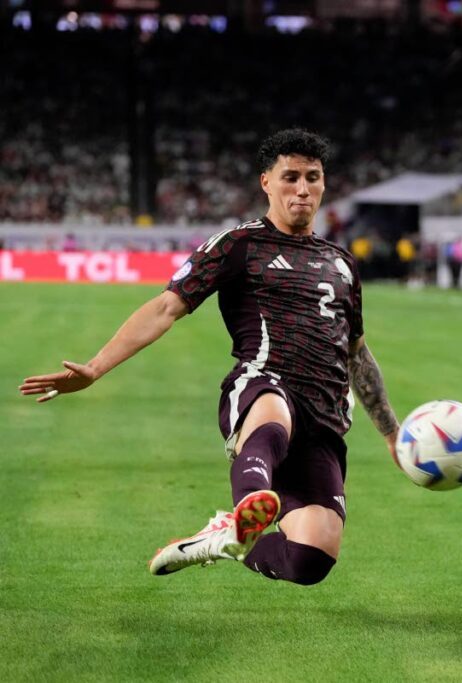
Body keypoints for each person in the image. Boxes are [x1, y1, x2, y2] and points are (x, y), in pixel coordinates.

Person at [20, 129, 400, 586]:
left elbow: (356, 351)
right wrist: (96, 368)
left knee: (311, 559)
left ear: (324, 183)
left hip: (325, 418)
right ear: (266, 182)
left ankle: (227, 538)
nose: (302, 188)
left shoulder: (342, 263)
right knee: (272, 416)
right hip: (264, 382)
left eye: (312, 178)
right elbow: (165, 307)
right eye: (290, 177)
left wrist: (392, 433)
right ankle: (248, 508)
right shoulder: (237, 245)